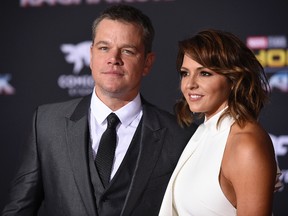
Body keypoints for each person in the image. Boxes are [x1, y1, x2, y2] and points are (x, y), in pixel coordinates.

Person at [2, 4, 197, 216]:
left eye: (127, 51)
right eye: (104, 48)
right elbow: (19, 209)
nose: (114, 58)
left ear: (147, 63)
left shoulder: (180, 136)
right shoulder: (47, 124)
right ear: (91, 55)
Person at [158, 29, 282, 216]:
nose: (190, 84)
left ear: (233, 79)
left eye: (205, 73)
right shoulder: (204, 132)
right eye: (185, 73)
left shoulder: (245, 143)